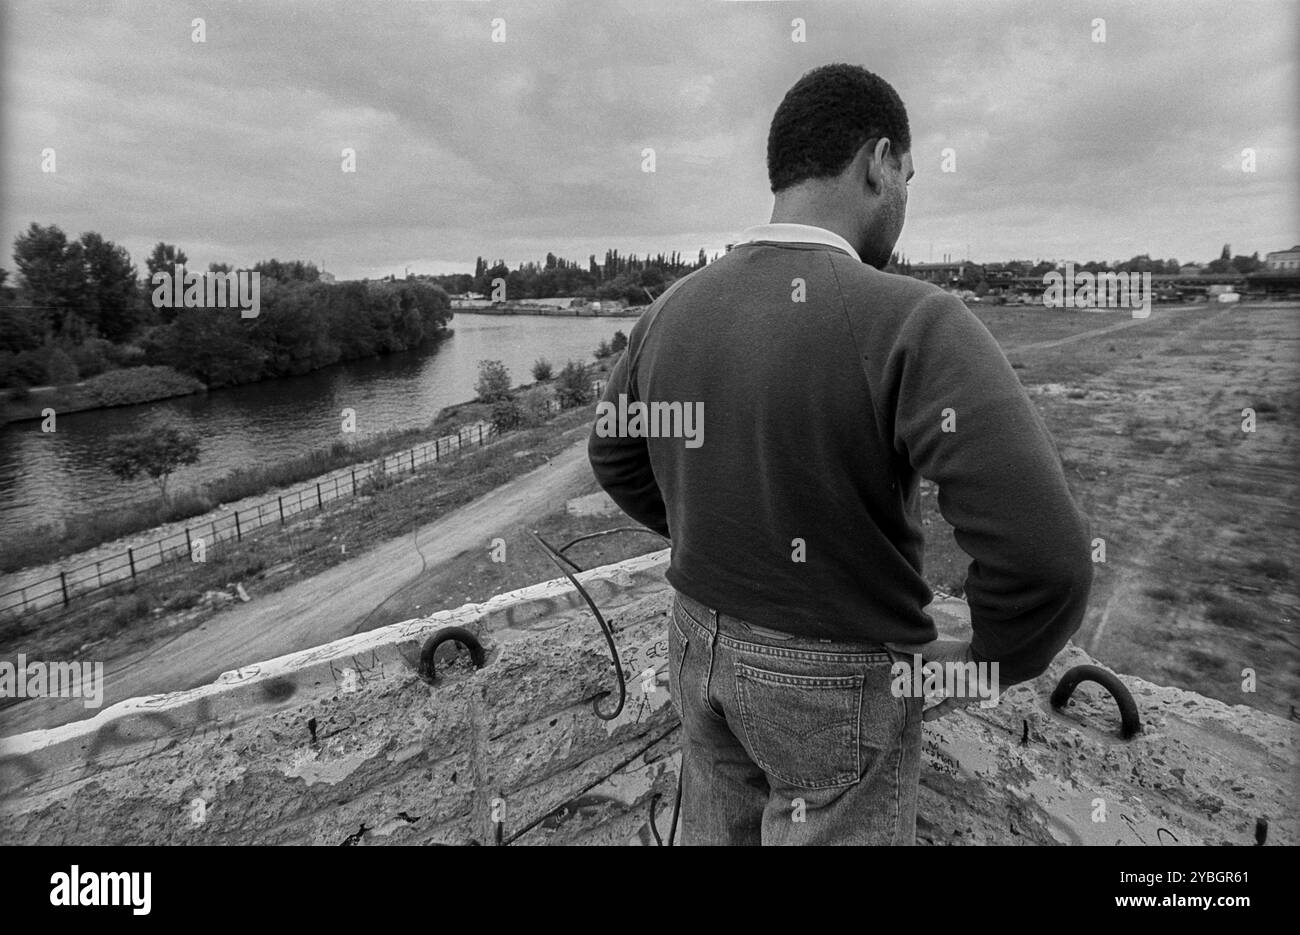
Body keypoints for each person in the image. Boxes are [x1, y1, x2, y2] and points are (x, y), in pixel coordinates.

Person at [587, 63, 1093, 845]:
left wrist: (714, 530)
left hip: (695, 641)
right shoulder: (914, 319)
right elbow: (1047, 557)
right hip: (838, 682)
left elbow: (615, 458)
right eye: (908, 176)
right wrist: (989, 656)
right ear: (878, 160)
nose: (905, 198)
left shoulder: (671, 309)